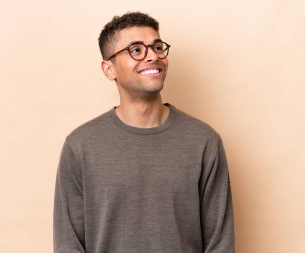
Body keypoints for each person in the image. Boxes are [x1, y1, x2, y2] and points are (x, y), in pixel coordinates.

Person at [53, 12, 235, 253]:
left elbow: (220, 244)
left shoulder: (203, 141)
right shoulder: (80, 146)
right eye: (136, 50)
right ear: (109, 69)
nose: (153, 56)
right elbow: (68, 244)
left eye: (157, 47)